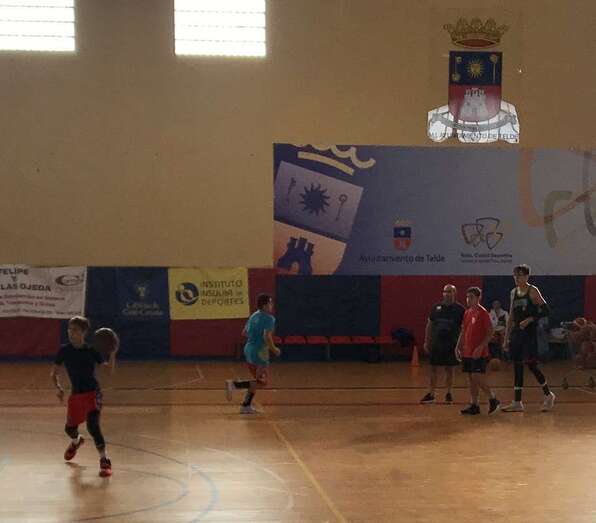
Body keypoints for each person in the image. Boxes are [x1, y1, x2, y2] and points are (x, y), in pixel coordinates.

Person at [51, 316, 117, 477]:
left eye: (75, 330)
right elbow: (54, 372)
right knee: (69, 429)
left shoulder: (91, 351)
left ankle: (104, 460)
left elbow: (108, 371)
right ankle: (77, 441)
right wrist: (58, 387)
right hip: (76, 395)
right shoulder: (64, 350)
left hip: (92, 393)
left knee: (93, 426)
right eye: (69, 329)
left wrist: (112, 354)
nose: (71, 333)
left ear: (84, 332)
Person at [502, 264, 556, 412]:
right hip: (517, 333)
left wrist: (530, 319)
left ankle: (548, 394)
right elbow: (511, 316)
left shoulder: (533, 291)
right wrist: (506, 338)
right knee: (517, 365)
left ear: (526, 276)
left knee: (532, 365)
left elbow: (546, 310)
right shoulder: (513, 292)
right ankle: (517, 402)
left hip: (530, 333)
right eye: (515, 275)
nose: (516, 278)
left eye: (519, 275)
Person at [225, 293, 281, 414]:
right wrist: (274, 349)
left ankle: (246, 406)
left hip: (249, 349)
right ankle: (234, 385)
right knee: (262, 381)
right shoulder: (269, 318)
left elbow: (244, 332)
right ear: (265, 305)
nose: (272, 305)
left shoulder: (254, 315)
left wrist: (255, 337)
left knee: (256, 380)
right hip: (260, 352)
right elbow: (266, 336)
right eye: (270, 303)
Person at [457, 287, 501, 415]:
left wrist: (481, 347)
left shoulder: (483, 313)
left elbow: (490, 332)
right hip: (467, 351)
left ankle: (493, 399)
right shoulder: (467, 312)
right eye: (467, 297)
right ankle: (474, 404)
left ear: (478, 298)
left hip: (478, 352)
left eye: (471, 297)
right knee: (471, 378)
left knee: (477, 376)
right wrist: (458, 346)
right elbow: (463, 330)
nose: (468, 299)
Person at [420, 284, 465, 404]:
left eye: (450, 291)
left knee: (450, 369)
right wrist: (426, 341)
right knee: (433, 368)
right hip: (437, 343)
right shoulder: (436, 308)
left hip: (452, 343)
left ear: (455, 293)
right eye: (445, 291)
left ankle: (449, 393)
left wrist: (460, 345)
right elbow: (429, 325)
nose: (447, 294)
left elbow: (464, 328)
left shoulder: (460, 309)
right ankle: (431, 394)